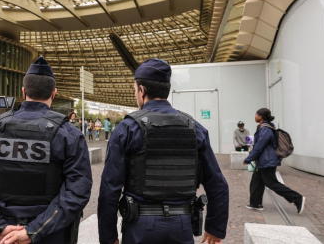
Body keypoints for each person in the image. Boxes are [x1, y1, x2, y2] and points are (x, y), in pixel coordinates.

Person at [98, 58, 229, 244]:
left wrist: (108, 237)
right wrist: (215, 228)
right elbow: (217, 184)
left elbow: (109, 189)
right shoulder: (195, 128)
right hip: (182, 225)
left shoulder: (127, 129)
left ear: (142, 90)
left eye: (135, 90)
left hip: (139, 227)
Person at [0, 56, 92, 244]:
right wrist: (34, 230)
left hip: (6, 234)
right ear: (54, 93)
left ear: (23, 91)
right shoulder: (69, 134)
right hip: (51, 234)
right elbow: (77, 191)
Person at [244, 108, 305, 213]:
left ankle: (297, 198)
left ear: (261, 117)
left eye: (256, 114)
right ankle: (256, 203)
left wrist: (249, 158)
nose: (255, 116)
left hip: (267, 161)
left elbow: (259, 146)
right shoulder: (265, 127)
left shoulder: (265, 129)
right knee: (256, 181)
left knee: (271, 183)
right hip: (263, 160)